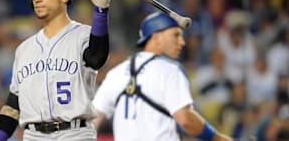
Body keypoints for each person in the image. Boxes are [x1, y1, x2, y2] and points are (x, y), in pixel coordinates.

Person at [0, 0, 113, 141]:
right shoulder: (24, 50)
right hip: (34, 136)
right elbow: (13, 105)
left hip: (75, 134)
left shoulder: (83, 35)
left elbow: (96, 57)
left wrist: (101, 11)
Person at [93, 12, 232, 141]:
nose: (182, 42)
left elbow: (93, 120)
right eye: (175, 35)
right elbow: (185, 119)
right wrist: (218, 138)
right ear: (156, 37)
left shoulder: (117, 72)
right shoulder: (170, 70)